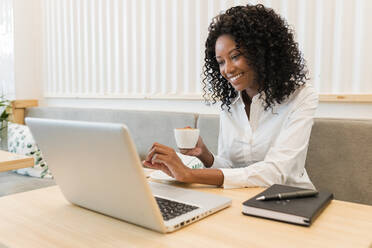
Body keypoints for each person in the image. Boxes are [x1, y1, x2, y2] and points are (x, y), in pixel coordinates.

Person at [143, 4, 317, 189]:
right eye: (221, 62)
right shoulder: (230, 103)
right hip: (242, 199)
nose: (227, 69)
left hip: (292, 200)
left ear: (261, 51)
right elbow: (232, 168)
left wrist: (190, 174)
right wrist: (206, 156)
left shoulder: (302, 96)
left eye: (235, 56)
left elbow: (276, 172)